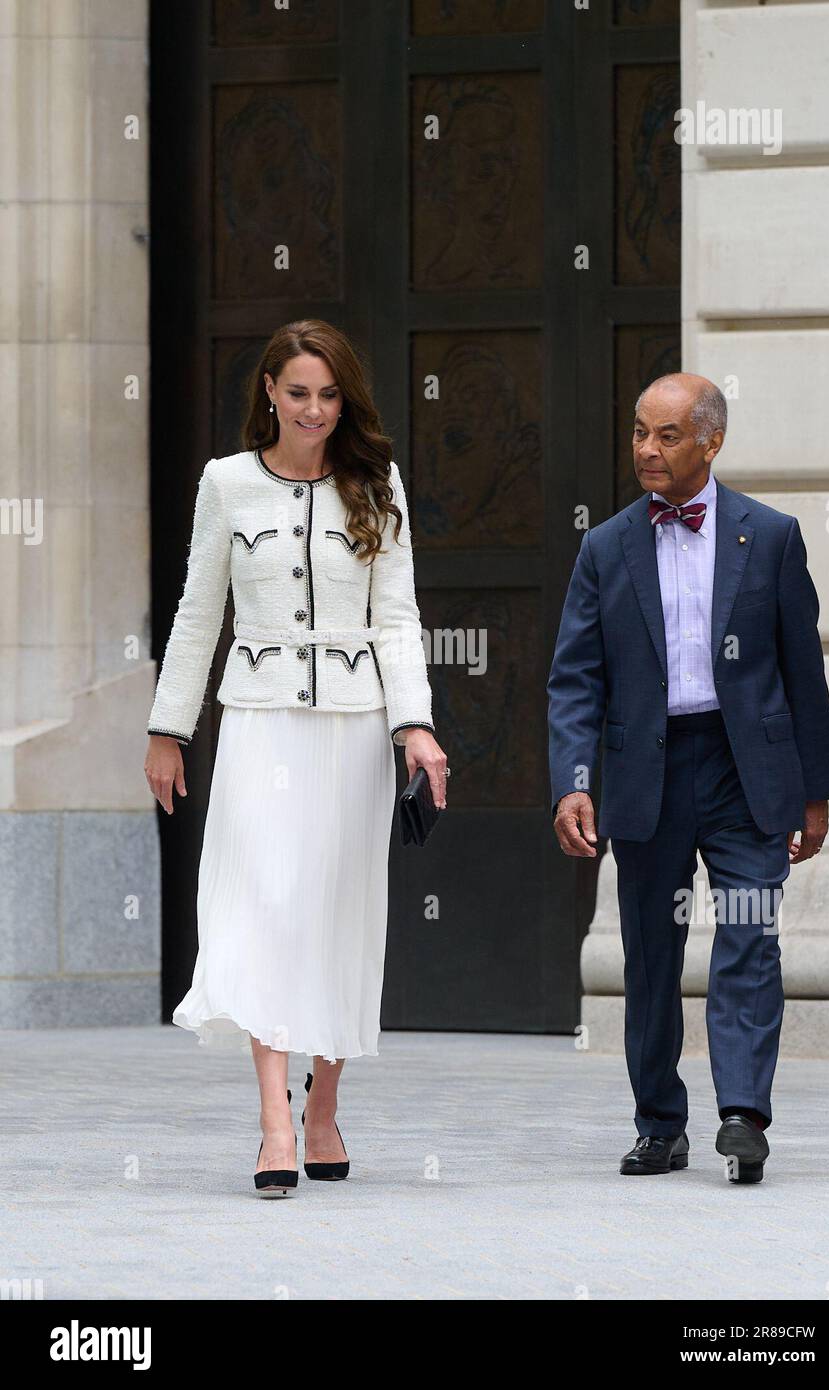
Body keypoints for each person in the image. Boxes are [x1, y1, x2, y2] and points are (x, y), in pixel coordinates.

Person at [144, 319, 448, 1197]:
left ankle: (323, 1108)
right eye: (298, 392)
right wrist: (170, 730)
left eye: (328, 394)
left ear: (342, 399)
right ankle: (275, 1119)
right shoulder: (226, 484)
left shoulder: (376, 481)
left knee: (337, 914)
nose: (313, 409)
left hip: (354, 731)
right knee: (266, 907)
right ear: (269, 394)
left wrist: (414, 726)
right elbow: (199, 611)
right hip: (259, 722)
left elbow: (397, 618)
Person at [547, 373, 829, 1184]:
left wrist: (815, 792)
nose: (646, 448)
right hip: (648, 773)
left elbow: (801, 671)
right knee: (649, 953)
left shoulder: (770, 535)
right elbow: (574, 677)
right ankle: (659, 1124)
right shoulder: (604, 547)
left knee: (748, 938)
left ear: (710, 441)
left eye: (666, 435)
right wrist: (573, 780)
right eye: (639, 431)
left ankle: (742, 1113)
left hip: (744, 771)